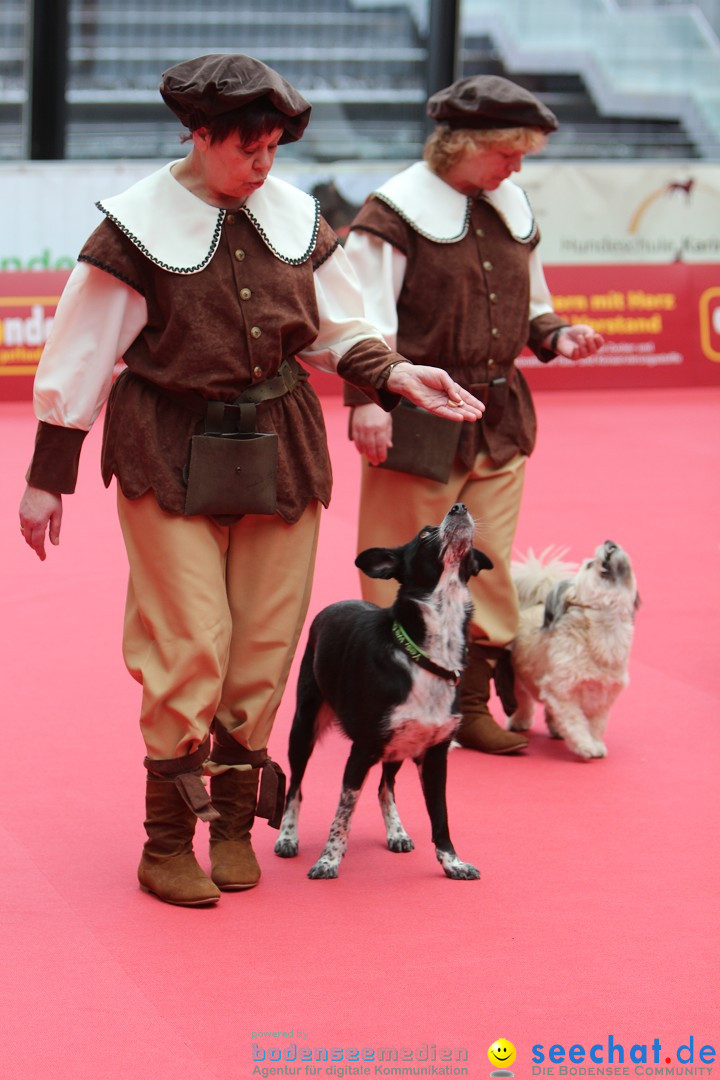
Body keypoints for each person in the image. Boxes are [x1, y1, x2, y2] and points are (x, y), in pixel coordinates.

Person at [18, 54, 484, 908]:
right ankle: (167, 843)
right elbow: (83, 348)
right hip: (167, 447)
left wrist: (395, 374)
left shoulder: (297, 219)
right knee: (192, 640)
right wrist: (49, 476)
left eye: (273, 147)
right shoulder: (133, 229)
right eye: (247, 148)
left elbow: (340, 324)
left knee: (267, 648)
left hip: (282, 448)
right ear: (198, 136)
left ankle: (232, 826)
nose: (263, 165)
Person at [343, 75, 604, 755]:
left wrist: (555, 333)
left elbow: (534, 299)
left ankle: (469, 701)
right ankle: (394, 696)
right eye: (508, 153)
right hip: (415, 415)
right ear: (464, 145)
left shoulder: (511, 203)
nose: (518, 168)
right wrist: (369, 403)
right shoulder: (395, 211)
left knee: (482, 563)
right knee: (404, 566)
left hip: (499, 415)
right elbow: (360, 320)